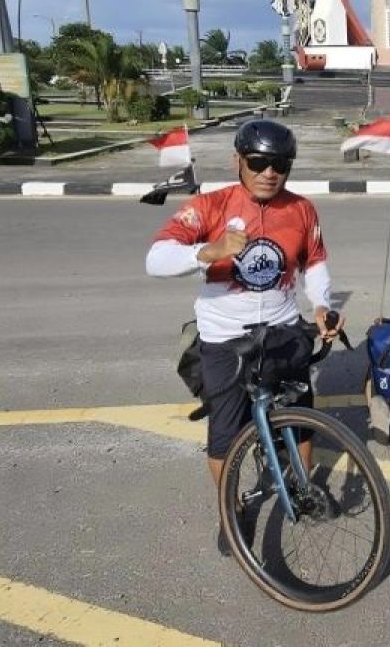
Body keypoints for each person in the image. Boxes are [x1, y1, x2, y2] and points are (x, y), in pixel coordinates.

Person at [146, 120, 344, 554]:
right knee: (225, 433)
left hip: (283, 329)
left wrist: (322, 304)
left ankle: (300, 488)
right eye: (258, 162)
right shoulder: (211, 205)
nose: (269, 172)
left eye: (280, 164)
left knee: (299, 416)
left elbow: (314, 263)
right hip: (225, 338)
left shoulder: (302, 209)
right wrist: (206, 251)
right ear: (238, 160)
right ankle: (231, 509)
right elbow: (155, 258)